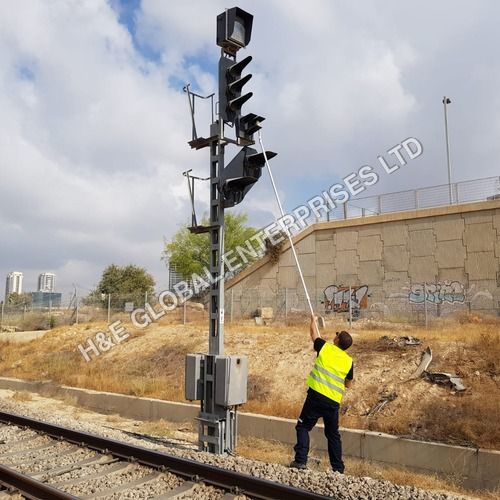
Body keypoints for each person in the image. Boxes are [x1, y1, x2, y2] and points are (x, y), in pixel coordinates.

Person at [290, 315, 353, 473]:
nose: (335, 335)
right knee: (333, 435)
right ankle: (338, 469)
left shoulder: (325, 347)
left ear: (337, 340)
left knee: (303, 427)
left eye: (337, 335)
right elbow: (349, 384)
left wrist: (313, 320)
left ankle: (300, 461)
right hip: (332, 402)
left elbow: (313, 334)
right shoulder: (349, 361)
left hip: (316, 396)